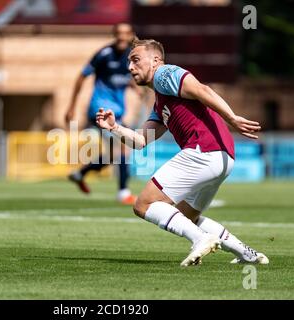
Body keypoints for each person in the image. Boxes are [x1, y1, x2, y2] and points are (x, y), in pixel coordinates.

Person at [96, 39, 269, 266]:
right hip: (222, 158)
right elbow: (141, 141)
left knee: (143, 205)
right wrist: (115, 128)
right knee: (186, 217)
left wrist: (232, 118)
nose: (130, 67)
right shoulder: (161, 101)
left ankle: (200, 240)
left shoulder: (164, 74)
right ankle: (246, 253)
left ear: (155, 60)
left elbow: (201, 89)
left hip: (203, 151)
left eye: (136, 60)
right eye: (129, 62)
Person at [65, 23, 138, 205]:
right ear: (114, 35)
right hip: (101, 110)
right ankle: (123, 192)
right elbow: (82, 76)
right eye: (119, 33)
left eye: (126, 33)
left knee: (115, 155)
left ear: (131, 35)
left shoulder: (131, 58)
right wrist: (71, 106)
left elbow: (124, 80)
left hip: (117, 113)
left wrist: (136, 88)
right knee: (123, 149)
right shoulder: (104, 54)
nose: (122, 37)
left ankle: (80, 174)